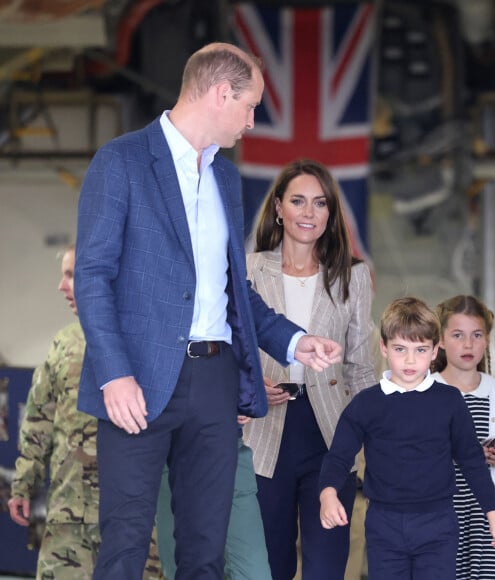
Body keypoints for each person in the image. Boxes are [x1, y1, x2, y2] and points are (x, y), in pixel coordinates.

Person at [74, 43, 342, 580]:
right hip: (137, 382)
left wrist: (292, 341)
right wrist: (115, 374)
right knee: (125, 543)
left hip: (215, 381)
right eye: (249, 106)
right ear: (221, 94)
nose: (251, 120)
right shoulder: (121, 160)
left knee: (204, 550)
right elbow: (92, 276)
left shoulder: (226, 178)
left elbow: (232, 290)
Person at [243, 158, 376, 580]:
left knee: (326, 567)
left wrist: (376, 445)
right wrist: (247, 388)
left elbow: (361, 368)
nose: (308, 212)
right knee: (268, 566)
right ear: (278, 207)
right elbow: (228, 352)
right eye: (298, 201)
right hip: (263, 434)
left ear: (330, 214)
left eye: (320, 204)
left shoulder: (352, 277)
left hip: (331, 436)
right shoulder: (247, 270)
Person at [319, 296, 495, 580]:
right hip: (383, 524)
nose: (410, 360)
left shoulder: (449, 401)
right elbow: (338, 456)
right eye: (400, 349)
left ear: (435, 350)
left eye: (420, 349)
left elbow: (471, 460)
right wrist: (327, 494)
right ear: (384, 347)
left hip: (439, 523)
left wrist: (493, 515)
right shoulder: (366, 403)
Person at [8, 246, 162, 580]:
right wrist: (23, 483)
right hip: (69, 516)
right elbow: (39, 421)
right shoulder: (63, 343)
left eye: (70, 275)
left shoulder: (149, 344)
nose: (62, 286)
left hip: (135, 520)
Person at [431, 294, 495, 579]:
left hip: (489, 509)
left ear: (486, 340)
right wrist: (461, 455)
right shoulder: (426, 389)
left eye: (476, 335)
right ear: (441, 340)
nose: (468, 344)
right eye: (458, 335)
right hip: (442, 507)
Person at [156, 415, 272, 580]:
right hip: (169, 450)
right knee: (179, 567)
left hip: (225, 449)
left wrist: (245, 400)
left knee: (253, 571)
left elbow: (253, 399)